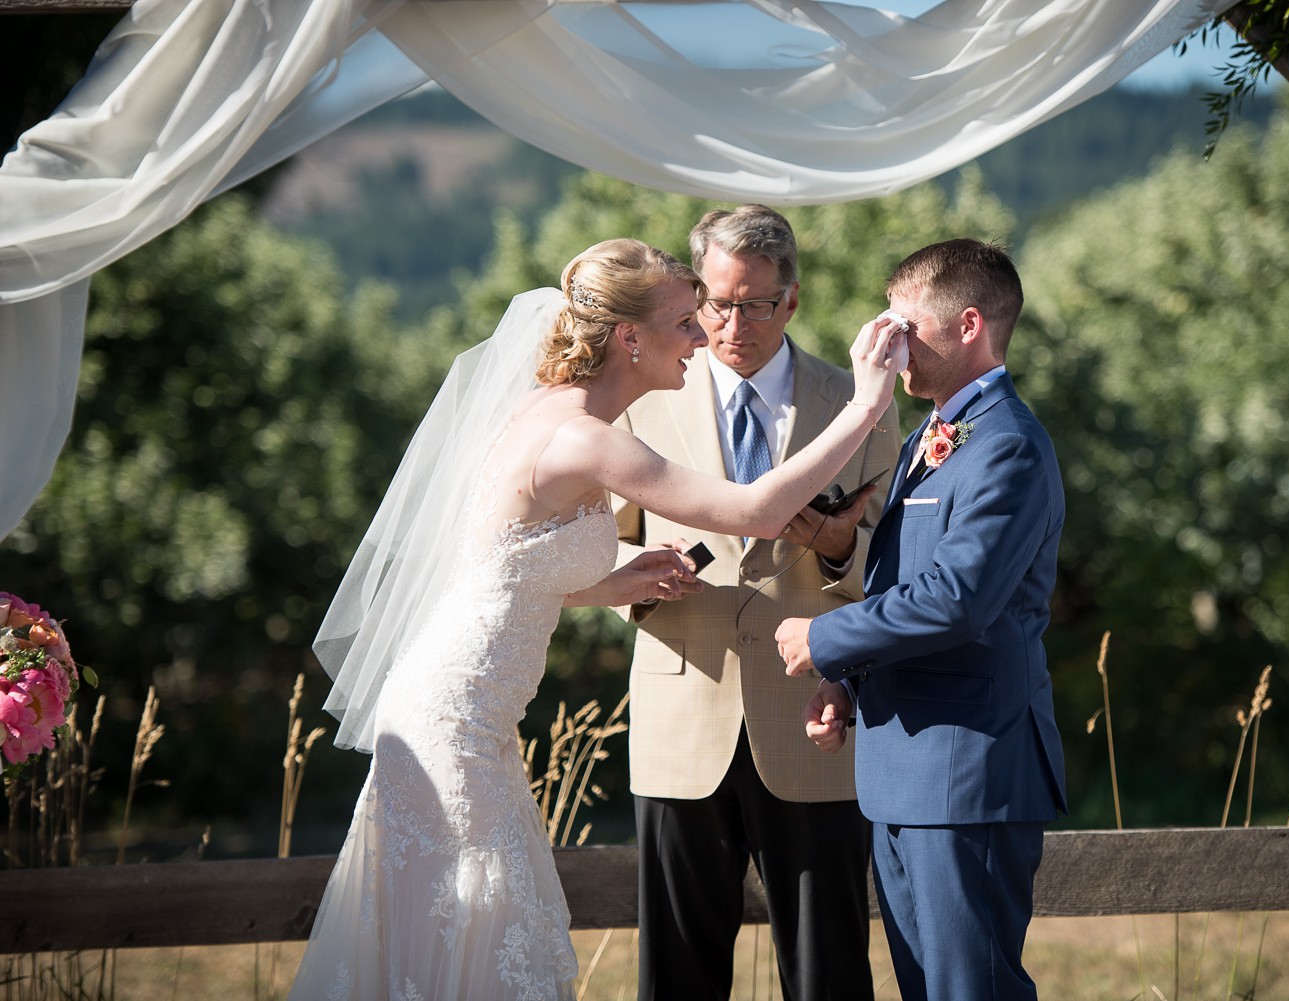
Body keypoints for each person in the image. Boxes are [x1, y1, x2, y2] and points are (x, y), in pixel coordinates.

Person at [288, 238, 904, 1001]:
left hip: (461, 711)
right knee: (478, 933)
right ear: (629, 338)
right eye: (686, 321)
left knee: (456, 936)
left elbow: (496, 565)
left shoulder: (543, 410)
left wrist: (609, 580)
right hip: (456, 724)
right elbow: (756, 510)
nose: (703, 336)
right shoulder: (588, 438)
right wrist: (867, 405)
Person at [614, 205, 899, 1001]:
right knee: (675, 974)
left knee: (829, 972)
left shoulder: (860, 402)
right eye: (714, 302)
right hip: (680, 716)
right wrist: (638, 577)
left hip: (814, 722)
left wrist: (839, 546)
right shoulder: (642, 397)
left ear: (793, 301)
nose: (730, 323)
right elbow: (600, 546)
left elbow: (891, 566)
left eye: (754, 304)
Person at [776, 238, 1067, 1001]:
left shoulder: (1007, 445)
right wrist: (844, 678)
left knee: (973, 990)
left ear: (968, 324)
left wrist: (822, 639)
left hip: (968, 768)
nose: (887, 343)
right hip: (906, 769)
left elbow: (956, 599)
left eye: (904, 325)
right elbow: (898, 580)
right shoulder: (928, 437)